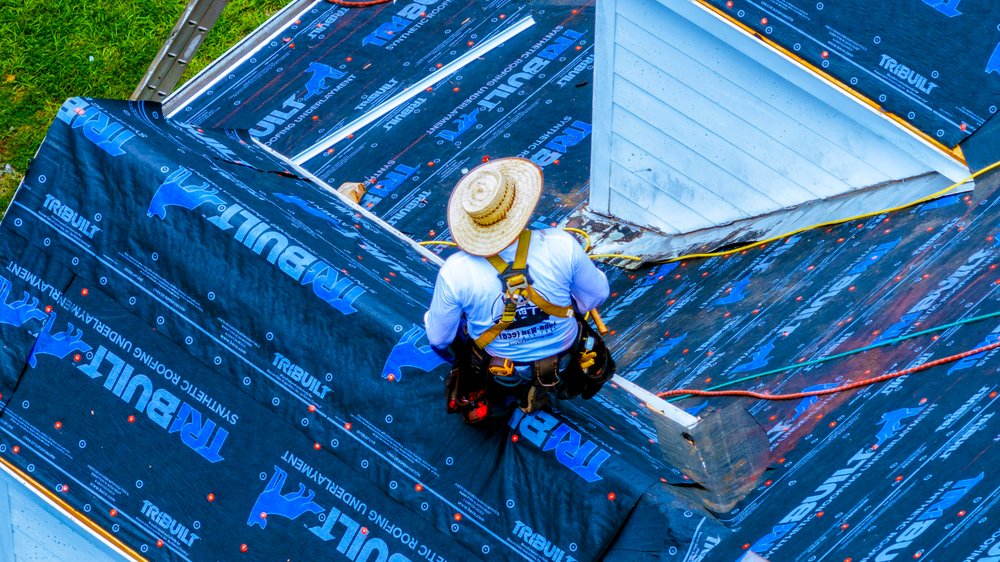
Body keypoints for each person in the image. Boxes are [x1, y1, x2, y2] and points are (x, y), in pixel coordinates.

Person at [424, 157, 615, 423]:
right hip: (567, 359)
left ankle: (514, 393)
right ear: (519, 206)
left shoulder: (455, 271)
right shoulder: (560, 245)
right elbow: (596, 295)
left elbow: (438, 338)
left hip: (500, 372)